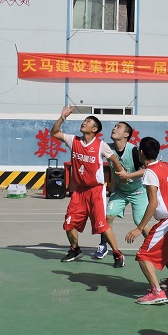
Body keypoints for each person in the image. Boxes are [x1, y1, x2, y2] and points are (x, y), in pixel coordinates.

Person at [51, 106, 128, 265]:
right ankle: (75, 249)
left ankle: (117, 254)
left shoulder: (101, 145)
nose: (84, 123)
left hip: (96, 190)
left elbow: (114, 159)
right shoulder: (73, 140)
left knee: (102, 225)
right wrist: (62, 117)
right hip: (79, 191)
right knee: (69, 223)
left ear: (94, 129)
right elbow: (54, 132)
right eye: (84, 120)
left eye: (88, 122)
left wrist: (121, 174)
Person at [125, 136, 168, 305]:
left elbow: (153, 203)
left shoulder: (150, 172)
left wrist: (139, 228)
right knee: (163, 249)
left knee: (143, 255)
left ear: (141, 152)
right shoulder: (163, 166)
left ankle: (157, 292)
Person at [92, 122, 147, 267]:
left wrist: (128, 175)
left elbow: (146, 170)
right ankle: (103, 244)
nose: (114, 128)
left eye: (119, 127)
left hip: (137, 191)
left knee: (140, 221)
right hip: (119, 190)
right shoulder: (106, 147)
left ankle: (153, 246)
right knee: (108, 217)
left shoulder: (134, 150)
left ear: (126, 134)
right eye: (114, 126)